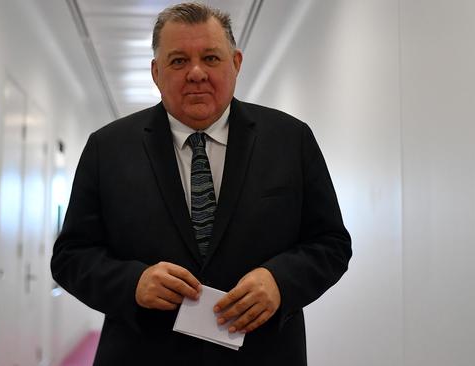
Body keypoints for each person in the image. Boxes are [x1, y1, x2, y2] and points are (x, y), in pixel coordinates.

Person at [51, 2, 351, 365]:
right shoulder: (107, 148)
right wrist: (132, 282)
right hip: (143, 354)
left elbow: (331, 243)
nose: (196, 73)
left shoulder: (291, 140)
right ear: (156, 71)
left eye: (211, 58)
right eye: (178, 61)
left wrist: (280, 282)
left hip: (263, 354)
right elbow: (70, 257)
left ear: (236, 63)